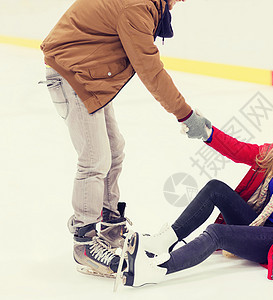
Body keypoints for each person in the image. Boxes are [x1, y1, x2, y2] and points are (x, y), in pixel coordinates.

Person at [39, 0, 210, 277]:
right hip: (72, 72)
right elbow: (150, 70)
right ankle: (84, 241)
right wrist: (185, 114)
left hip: (88, 74)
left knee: (114, 150)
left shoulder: (147, 6)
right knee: (94, 159)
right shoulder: (137, 8)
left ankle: (108, 225)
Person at [119, 100, 273, 286]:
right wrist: (207, 133)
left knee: (217, 233)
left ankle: (157, 270)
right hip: (258, 224)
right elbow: (239, 151)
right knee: (215, 188)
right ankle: (162, 242)